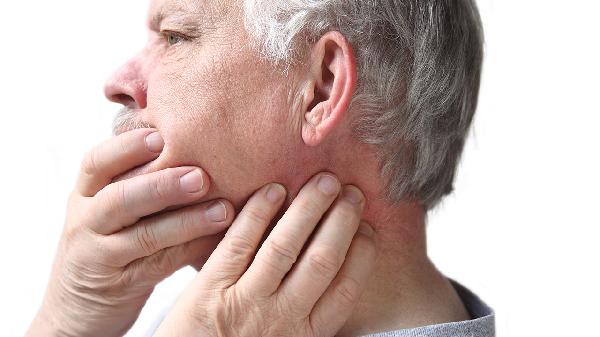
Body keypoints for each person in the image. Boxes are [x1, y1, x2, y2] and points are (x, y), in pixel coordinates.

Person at [27, 0, 493, 336]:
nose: (118, 84)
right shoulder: (219, 311)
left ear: (321, 89)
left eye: (175, 36)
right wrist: (66, 321)